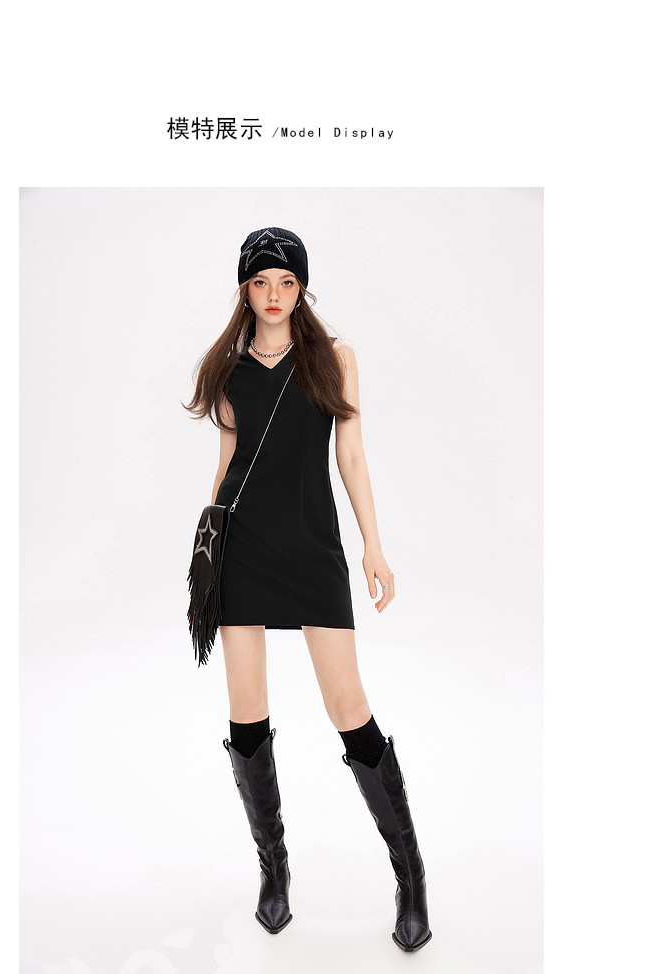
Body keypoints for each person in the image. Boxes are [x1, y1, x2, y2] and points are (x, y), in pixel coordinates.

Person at [183, 227, 432, 952]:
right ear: (245, 289)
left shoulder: (334, 359)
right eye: (261, 282)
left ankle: (411, 878)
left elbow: (350, 453)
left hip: (312, 548)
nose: (274, 295)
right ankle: (274, 871)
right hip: (244, 550)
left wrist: (373, 546)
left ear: (302, 288)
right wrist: (207, 555)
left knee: (349, 708)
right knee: (246, 710)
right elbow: (227, 466)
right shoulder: (227, 371)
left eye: (286, 282)